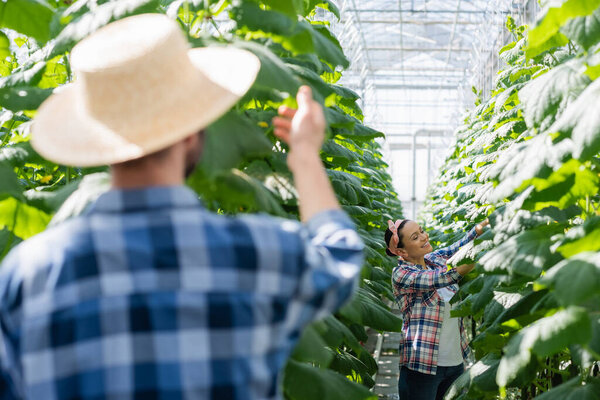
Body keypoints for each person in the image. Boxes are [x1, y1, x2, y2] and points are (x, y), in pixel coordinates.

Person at [0, 14, 364, 400]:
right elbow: (339, 255)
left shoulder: (28, 276)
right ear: (191, 131)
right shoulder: (259, 255)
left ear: (97, 141)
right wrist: (305, 154)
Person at [384, 218, 488, 400]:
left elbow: (461, 244)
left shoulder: (434, 259)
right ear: (402, 251)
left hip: (455, 362)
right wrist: (482, 255)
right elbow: (444, 277)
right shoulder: (401, 275)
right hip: (422, 366)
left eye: (422, 231)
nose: (424, 237)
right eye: (415, 237)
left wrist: (486, 224)